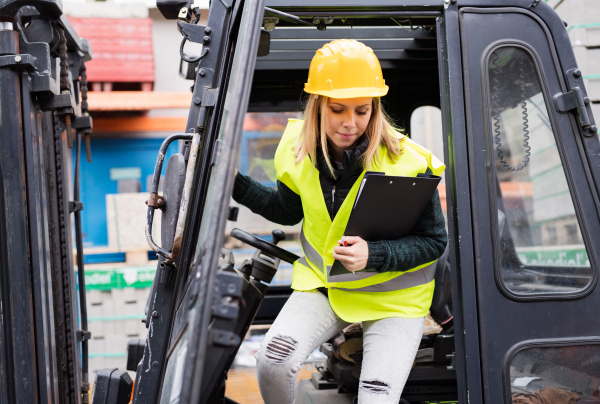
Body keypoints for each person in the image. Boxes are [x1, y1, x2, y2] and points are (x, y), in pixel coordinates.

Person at [232, 39, 447, 404]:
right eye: (338, 110)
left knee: (376, 398)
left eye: (362, 111)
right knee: (272, 361)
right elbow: (287, 211)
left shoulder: (409, 163)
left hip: (393, 298)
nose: (350, 123)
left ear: (374, 109)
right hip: (325, 286)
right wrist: (233, 185)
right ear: (318, 106)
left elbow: (433, 241)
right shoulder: (297, 150)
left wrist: (374, 254)